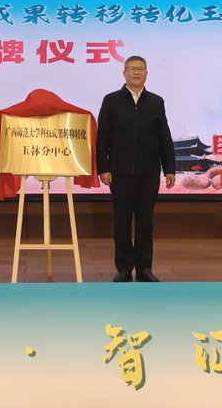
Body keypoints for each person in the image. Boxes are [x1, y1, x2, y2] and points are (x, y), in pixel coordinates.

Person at [96, 55, 176, 283]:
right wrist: (103, 168)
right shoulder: (111, 100)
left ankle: (144, 269)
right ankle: (123, 268)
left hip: (148, 172)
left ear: (146, 74)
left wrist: (169, 168)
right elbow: (102, 138)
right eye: (132, 69)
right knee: (121, 222)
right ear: (124, 73)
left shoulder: (156, 102)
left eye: (141, 69)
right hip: (119, 172)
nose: (137, 72)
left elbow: (164, 137)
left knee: (145, 223)